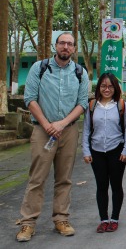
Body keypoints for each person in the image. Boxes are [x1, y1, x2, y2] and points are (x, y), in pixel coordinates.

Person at [16, 32, 89, 242]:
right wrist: (48, 125)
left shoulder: (80, 73)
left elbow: (82, 103)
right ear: (55, 46)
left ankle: (61, 219)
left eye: (70, 44)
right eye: (62, 43)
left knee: (64, 178)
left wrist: (62, 124)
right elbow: (29, 98)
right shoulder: (39, 68)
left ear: (74, 49)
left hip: (69, 131)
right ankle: (27, 223)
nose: (66, 47)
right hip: (42, 131)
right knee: (37, 178)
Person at [82, 73, 126, 233]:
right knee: (101, 186)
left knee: (116, 186)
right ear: (99, 88)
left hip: (116, 150)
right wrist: (86, 150)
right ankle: (104, 219)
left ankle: (114, 218)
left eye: (110, 86)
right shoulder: (92, 106)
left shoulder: (121, 105)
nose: (107, 89)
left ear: (115, 87)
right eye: (103, 86)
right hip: (96, 151)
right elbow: (86, 129)